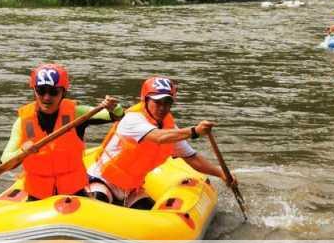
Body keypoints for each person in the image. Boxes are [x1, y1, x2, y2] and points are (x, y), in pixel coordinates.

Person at [87, 76, 235, 207]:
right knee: (99, 201)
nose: (162, 108)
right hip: (103, 180)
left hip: (131, 189)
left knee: (147, 215)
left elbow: (191, 158)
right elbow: (159, 137)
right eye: (157, 102)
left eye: (167, 103)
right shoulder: (131, 119)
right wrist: (194, 131)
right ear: (145, 100)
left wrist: (221, 174)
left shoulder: (170, 128)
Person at [1, 63, 124, 201]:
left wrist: (114, 107)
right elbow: (5, 160)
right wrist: (23, 152)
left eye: (53, 92)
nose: (47, 97)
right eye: (41, 91)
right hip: (38, 197)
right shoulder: (22, 122)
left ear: (63, 92)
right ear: (34, 91)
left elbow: (116, 115)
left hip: (73, 195)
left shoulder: (77, 114)